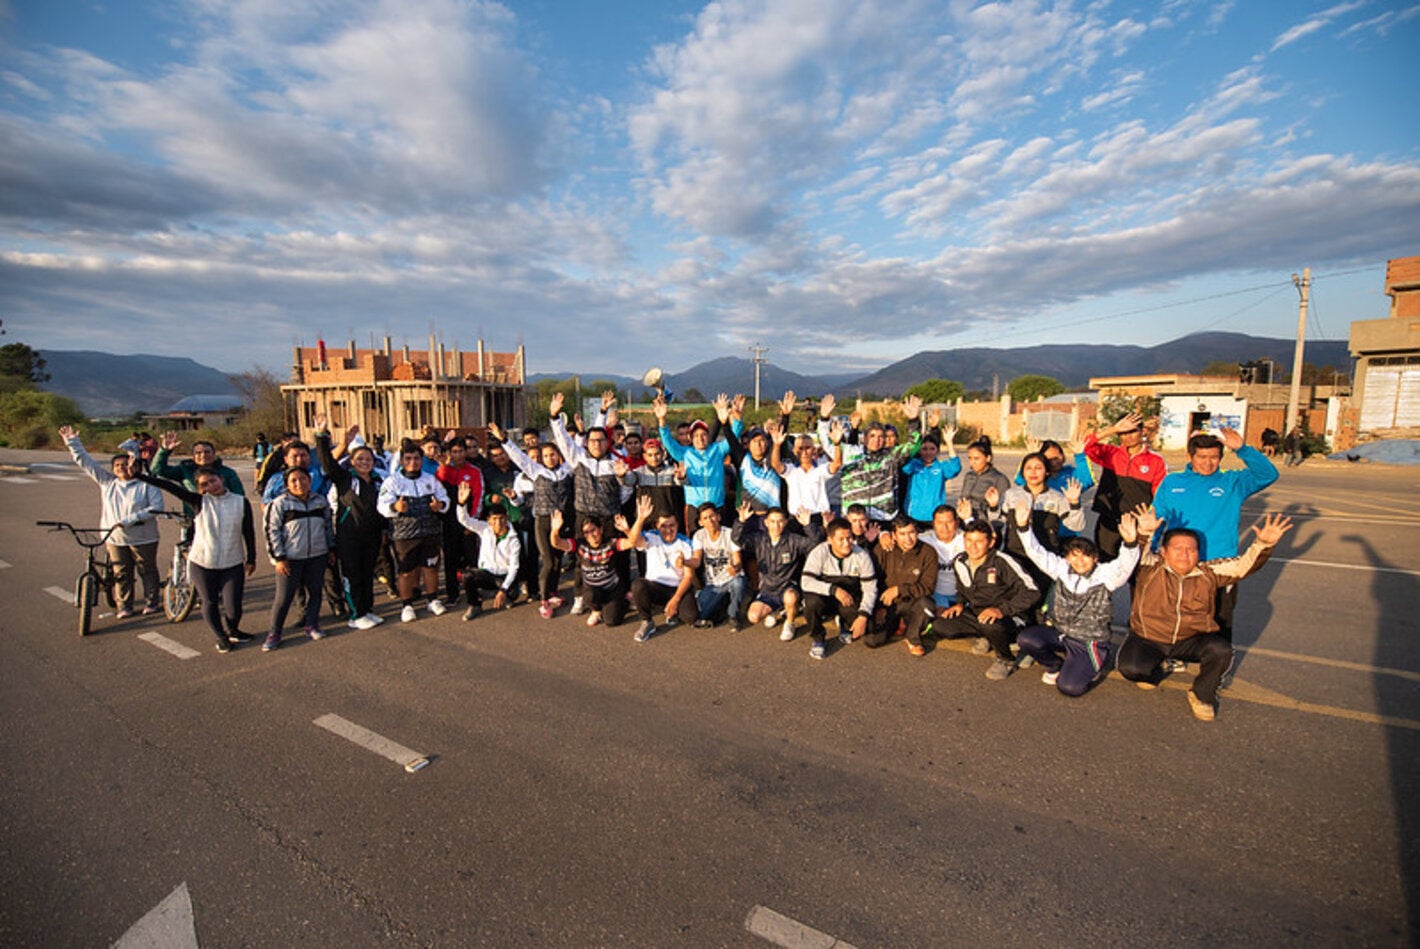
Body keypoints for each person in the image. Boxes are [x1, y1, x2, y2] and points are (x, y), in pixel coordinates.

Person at [1117, 507, 1293, 721]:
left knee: (1221, 650)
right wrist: (1144, 533)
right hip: (1149, 637)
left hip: (1190, 640)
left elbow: (1242, 567)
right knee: (1131, 668)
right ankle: (1157, 667)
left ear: (1198, 553)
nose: (1184, 554)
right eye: (1177, 549)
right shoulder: (1150, 568)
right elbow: (1134, 557)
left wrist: (1263, 544)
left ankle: (1202, 694)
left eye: (1191, 549)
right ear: (1164, 552)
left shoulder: (1208, 574)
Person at [1151, 427, 1278, 640]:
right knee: (1178, 619)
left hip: (1220, 565)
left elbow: (1268, 474)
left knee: (1220, 621)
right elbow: (1156, 518)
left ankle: (1219, 657)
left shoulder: (1233, 482)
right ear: (1189, 456)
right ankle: (1180, 653)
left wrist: (1242, 449)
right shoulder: (1172, 482)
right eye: (1202, 457)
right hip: (1180, 564)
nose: (1208, 463)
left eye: (1214, 457)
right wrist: (1152, 549)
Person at [1010, 497, 1140, 696]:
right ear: (1067, 558)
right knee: (1027, 639)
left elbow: (1125, 565)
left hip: (1089, 641)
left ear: (1095, 558)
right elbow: (1036, 552)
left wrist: (1130, 543)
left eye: (1086, 555)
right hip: (1061, 632)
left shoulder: (1106, 576)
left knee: (1069, 687)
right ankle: (1056, 665)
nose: (1080, 561)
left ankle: (1092, 663)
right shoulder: (1061, 569)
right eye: (1074, 555)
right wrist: (1023, 528)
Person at [139, 466, 257, 652]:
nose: (211, 485)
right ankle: (221, 637)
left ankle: (233, 630)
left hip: (232, 561)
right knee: (209, 601)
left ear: (221, 479)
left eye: (213, 480)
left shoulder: (240, 502)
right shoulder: (199, 501)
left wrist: (251, 558)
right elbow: (170, 487)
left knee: (233, 605)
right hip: (202, 562)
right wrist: (138, 475)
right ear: (201, 488)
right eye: (205, 484)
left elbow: (248, 531)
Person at [60, 425, 165, 617]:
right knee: (121, 573)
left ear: (135, 465)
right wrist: (72, 442)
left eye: (126, 464)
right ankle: (124, 605)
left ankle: (152, 601)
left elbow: (156, 507)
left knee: (147, 570)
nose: (121, 468)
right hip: (115, 537)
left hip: (144, 537)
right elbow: (85, 462)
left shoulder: (147, 484)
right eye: (117, 465)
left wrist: (130, 519)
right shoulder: (108, 483)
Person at [550, 391, 630, 613]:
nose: (597, 444)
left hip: (609, 516)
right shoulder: (578, 457)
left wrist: (615, 503)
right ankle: (579, 595)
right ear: (587, 442)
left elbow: (626, 491)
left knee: (617, 557)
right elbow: (562, 440)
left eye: (601, 440)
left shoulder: (616, 462)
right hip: (584, 515)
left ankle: (622, 594)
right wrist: (555, 417)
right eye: (593, 440)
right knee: (581, 557)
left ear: (608, 442)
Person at [933, 519, 1040, 680]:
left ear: (991, 542)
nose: (973, 546)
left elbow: (1033, 591)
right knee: (941, 625)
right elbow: (962, 588)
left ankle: (1006, 659)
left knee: (990, 624)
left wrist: (1001, 610)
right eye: (969, 540)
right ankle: (988, 637)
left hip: (1010, 616)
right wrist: (960, 604)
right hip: (979, 613)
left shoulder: (1002, 561)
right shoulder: (960, 561)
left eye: (979, 541)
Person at [491, 421, 574, 619]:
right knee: (547, 561)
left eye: (552, 454)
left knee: (557, 560)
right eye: (545, 456)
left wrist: (559, 422)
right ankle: (543, 599)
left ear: (559, 455)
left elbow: (569, 445)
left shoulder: (567, 470)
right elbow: (518, 457)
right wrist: (504, 440)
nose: (549, 458)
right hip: (543, 521)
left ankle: (552, 592)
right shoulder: (536, 471)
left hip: (562, 521)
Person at [315, 422, 387, 630]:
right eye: (360, 459)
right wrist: (322, 437)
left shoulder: (378, 482)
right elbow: (327, 462)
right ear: (352, 462)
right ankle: (355, 614)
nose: (364, 463)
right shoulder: (345, 479)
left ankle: (367, 609)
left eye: (368, 459)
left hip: (372, 536)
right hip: (349, 536)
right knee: (352, 575)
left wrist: (384, 530)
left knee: (367, 574)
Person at [548, 497, 651, 631]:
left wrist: (638, 521)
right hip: (593, 590)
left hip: (612, 589)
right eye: (586, 532)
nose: (591, 535)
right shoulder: (580, 545)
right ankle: (596, 610)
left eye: (594, 530)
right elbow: (556, 543)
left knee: (612, 621)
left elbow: (632, 542)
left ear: (601, 529)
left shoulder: (611, 543)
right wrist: (555, 530)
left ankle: (624, 600)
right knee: (589, 595)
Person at [262, 467, 335, 651]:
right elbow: (271, 531)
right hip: (291, 558)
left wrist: (330, 548)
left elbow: (328, 526)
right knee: (284, 597)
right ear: (287, 484)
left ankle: (312, 625)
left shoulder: (320, 501)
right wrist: (279, 558)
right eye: (293, 480)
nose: (299, 483)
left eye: (303, 479)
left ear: (309, 480)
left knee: (315, 592)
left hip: (317, 555)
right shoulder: (279, 504)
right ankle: (274, 633)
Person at [376, 442, 450, 623]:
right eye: (408, 459)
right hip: (404, 535)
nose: (413, 462)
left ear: (421, 460)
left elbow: (444, 499)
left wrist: (440, 505)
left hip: (430, 532)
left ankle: (432, 600)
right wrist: (395, 507)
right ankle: (407, 605)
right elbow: (382, 506)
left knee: (430, 568)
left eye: (417, 458)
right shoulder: (392, 482)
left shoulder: (430, 480)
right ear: (401, 461)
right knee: (406, 572)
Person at [1084, 411, 1167, 561]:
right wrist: (1113, 429)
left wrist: (1151, 520)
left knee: (1136, 565)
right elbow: (1085, 445)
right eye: (1122, 433)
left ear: (1142, 431)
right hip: (1109, 521)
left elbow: (1159, 494)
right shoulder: (1111, 453)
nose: (1128, 437)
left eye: (1132, 431)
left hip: (1138, 523)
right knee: (1105, 563)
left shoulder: (1155, 461)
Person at [733, 504, 820, 639]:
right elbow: (737, 540)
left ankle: (790, 623)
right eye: (772, 521)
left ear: (786, 522)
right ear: (766, 522)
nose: (776, 525)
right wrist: (741, 521)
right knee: (753, 617)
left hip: (788, 588)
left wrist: (808, 526)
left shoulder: (793, 540)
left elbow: (815, 545)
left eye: (780, 521)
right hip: (767, 590)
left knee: (790, 597)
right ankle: (778, 610)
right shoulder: (759, 539)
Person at [800, 517, 879, 660]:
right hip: (825, 597)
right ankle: (818, 638)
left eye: (849, 538)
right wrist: (833, 590)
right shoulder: (819, 552)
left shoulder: (862, 555)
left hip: (848, 599)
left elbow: (870, 589)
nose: (846, 543)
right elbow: (806, 582)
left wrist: (863, 615)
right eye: (841, 539)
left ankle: (844, 622)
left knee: (870, 629)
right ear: (830, 540)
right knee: (811, 602)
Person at [866, 517, 939, 656]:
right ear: (893, 535)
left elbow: (928, 587)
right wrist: (878, 606)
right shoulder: (883, 549)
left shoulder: (928, 552)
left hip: (913, 601)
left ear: (917, 533)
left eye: (911, 533)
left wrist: (899, 590)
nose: (908, 539)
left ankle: (913, 637)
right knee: (872, 640)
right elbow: (872, 581)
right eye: (902, 534)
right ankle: (898, 623)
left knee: (927, 606)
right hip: (888, 603)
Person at [629, 503, 698, 642]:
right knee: (638, 585)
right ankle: (647, 622)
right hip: (656, 587)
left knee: (691, 617)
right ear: (657, 526)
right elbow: (633, 540)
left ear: (677, 525)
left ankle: (673, 610)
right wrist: (641, 518)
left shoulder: (685, 543)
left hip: (677, 588)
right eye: (663, 526)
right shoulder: (651, 537)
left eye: (672, 525)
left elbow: (689, 576)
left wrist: (675, 600)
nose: (668, 530)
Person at [454, 489, 522, 621]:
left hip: (503, 576)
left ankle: (499, 594)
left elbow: (514, 568)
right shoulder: (484, 529)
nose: (498, 523)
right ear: (489, 520)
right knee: (467, 576)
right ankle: (475, 605)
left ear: (506, 518)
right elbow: (464, 520)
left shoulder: (514, 539)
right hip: (487, 573)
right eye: (494, 519)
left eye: (501, 519)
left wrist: (503, 590)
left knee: (512, 593)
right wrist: (461, 504)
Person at [436, 436, 484, 605]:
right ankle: (452, 593)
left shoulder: (474, 471)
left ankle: (475, 591)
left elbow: (478, 496)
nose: (458, 455)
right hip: (449, 522)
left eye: (461, 451)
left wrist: (473, 522)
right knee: (450, 559)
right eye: (454, 452)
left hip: (468, 522)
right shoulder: (444, 470)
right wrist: (443, 466)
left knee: (472, 558)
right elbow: (438, 487)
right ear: (449, 453)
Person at [689, 503, 746, 630]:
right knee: (699, 616)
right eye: (705, 518)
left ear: (718, 517)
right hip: (713, 583)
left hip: (731, 578)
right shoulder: (699, 535)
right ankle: (721, 606)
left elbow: (738, 560)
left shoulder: (730, 533)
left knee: (738, 583)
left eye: (712, 516)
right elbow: (696, 561)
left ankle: (733, 615)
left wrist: (735, 568)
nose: (710, 520)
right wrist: (685, 562)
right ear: (700, 522)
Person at [901, 415, 960, 527]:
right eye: (924, 449)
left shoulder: (941, 467)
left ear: (937, 451)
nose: (928, 452)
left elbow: (955, 468)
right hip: (913, 515)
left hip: (934, 517)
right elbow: (904, 464)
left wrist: (949, 443)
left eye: (932, 449)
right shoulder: (913, 465)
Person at [920, 504, 965, 611]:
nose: (944, 527)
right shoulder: (923, 539)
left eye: (949, 522)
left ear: (957, 522)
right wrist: (883, 535)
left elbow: (990, 537)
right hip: (935, 595)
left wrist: (968, 519)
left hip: (962, 595)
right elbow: (900, 539)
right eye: (940, 523)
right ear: (933, 524)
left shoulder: (966, 539)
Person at [958, 437, 1013, 523]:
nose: (972, 462)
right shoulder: (969, 476)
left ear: (988, 458)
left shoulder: (999, 479)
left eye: (976, 459)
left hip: (986, 523)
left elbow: (1004, 509)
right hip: (964, 519)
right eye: (970, 458)